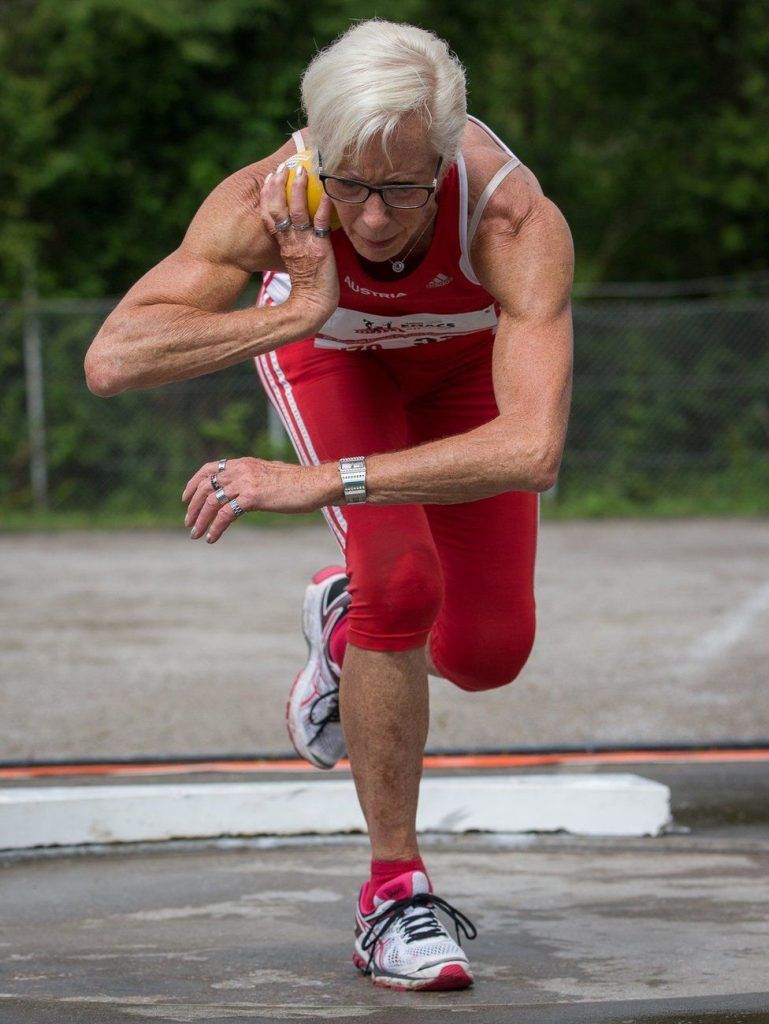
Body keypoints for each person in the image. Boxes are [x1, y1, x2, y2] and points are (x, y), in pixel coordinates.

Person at [85, 18, 573, 992]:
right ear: (317, 151)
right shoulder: (273, 198)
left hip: (460, 383)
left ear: (442, 157)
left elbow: (532, 448)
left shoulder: (509, 216)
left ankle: (338, 612)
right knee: (398, 583)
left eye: (401, 188)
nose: (375, 216)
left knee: (486, 652)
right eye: (350, 185)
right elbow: (113, 359)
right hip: (332, 358)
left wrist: (326, 482)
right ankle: (392, 893)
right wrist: (297, 312)